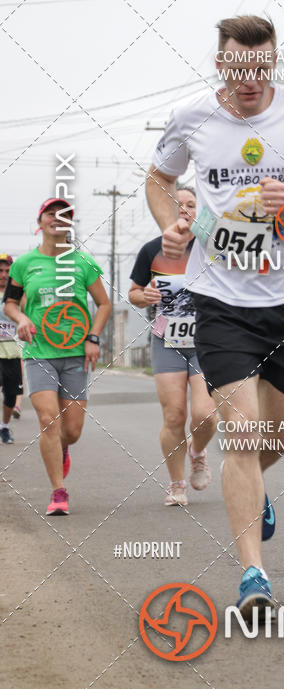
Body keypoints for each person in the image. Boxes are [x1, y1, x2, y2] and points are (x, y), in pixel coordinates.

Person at [146, 14, 284, 619]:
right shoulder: (191, 117)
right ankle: (252, 575)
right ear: (221, 63)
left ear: (273, 66)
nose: (250, 81)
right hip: (220, 301)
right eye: (239, 68)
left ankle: (254, 488)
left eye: (261, 69)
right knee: (242, 430)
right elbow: (159, 178)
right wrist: (170, 222)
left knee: (275, 438)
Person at [3, 198, 111, 515]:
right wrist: (22, 319)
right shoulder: (25, 264)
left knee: (72, 431)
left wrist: (93, 337)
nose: (58, 219)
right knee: (48, 419)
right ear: (41, 221)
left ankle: (63, 447)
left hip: (76, 355)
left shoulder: (82, 263)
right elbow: (10, 302)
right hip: (39, 354)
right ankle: (58, 492)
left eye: (64, 215)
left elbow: (103, 304)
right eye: (52, 213)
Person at [129, 185, 217, 507]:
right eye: (177, 205)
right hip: (166, 341)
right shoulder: (152, 250)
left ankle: (197, 451)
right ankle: (176, 483)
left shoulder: (211, 248)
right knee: (175, 415)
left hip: (206, 342)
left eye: (191, 204)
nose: (184, 210)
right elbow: (134, 293)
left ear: (200, 211)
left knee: (206, 416)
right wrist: (146, 296)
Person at [0, 254, 22, 444]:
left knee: (11, 395)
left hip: (13, 352)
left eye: (7, 271)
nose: (4, 275)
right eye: (0, 271)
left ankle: (4, 427)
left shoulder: (17, 296)